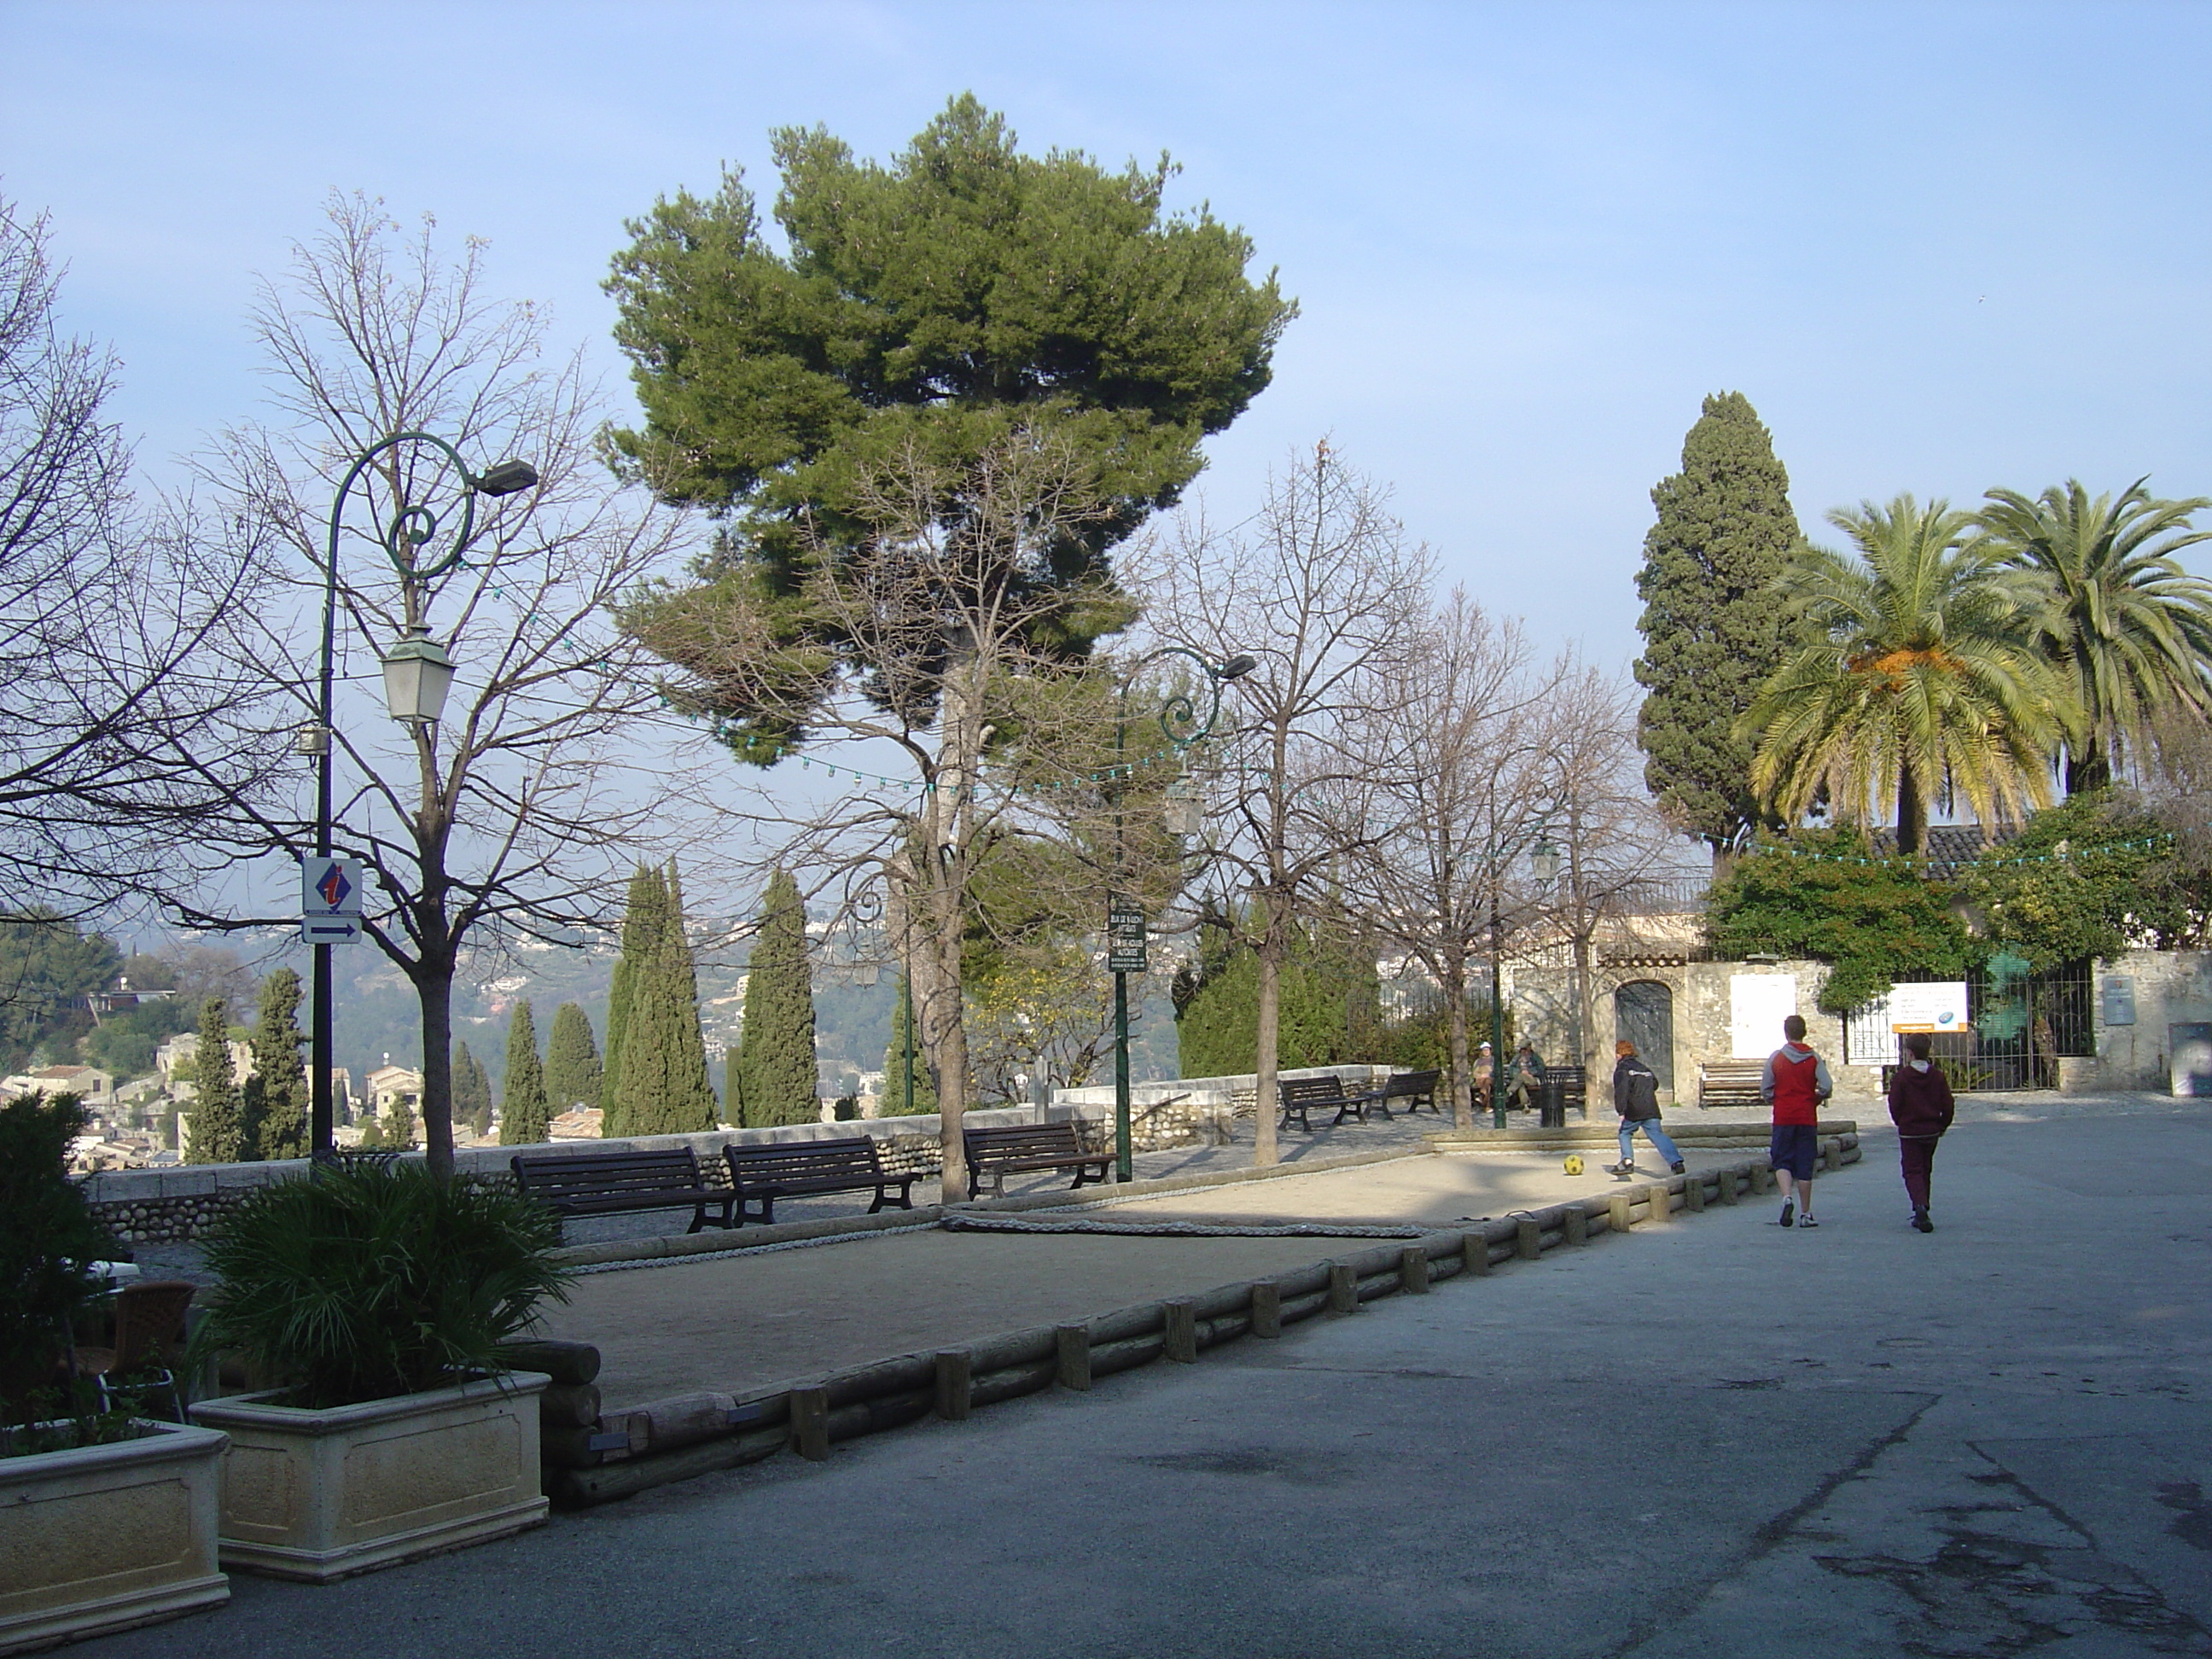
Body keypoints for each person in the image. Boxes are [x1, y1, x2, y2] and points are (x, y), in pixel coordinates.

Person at [1761, 1014, 1832, 1228]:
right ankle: (1806, 1213)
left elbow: (1765, 1088)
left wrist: (1776, 1098)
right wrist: (1816, 1098)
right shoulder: (1814, 1058)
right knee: (1805, 1163)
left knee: (1781, 1159)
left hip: (1783, 1116)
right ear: (1805, 1032)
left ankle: (1786, 1198)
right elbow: (1827, 1086)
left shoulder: (1776, 1058)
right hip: (1806, 1116)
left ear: (1786, 1033)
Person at [1889, 1032, 1955, 1232]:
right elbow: (1948, 1103)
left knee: (1912, 1169)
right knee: (1925, 1168)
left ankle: (1919, 1206)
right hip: (1931, 1130)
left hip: (1910, 1131)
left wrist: (1900, 1122)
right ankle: (1923, 1203)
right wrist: (1943, 1124)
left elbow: (1895, 1103)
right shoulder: (1937, 1076)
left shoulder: (1902, 1077)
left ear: (1909, 1053)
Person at [1606, 1039, 1685, 1177]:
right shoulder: (1644, 1068)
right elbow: (1655, 1084)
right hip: (1651, 1108)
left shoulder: (1622, 1069)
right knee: (1658, 1135)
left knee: (1625, 1133)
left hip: (1634, 1109)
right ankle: (1676, 1162)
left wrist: (1621, 1110)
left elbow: (1621, 1090)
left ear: (1619, 1054)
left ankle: (1627, 1161)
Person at [1507, 1042, 1547, 1112]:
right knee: (1521, 1084)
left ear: (1529, 1048)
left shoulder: (1535, 1057)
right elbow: (1511, 1069)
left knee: (1521, 1077)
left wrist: (1529, 1071)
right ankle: (1525, 1105)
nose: (1524, 1051)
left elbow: (1541, 1068)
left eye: (1525, 1049)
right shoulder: (1517, 1058)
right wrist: (1520, 1072)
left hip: (1533, 1079)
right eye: (1522, 1049)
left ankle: (1508, 1093)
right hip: (1520, 1080)